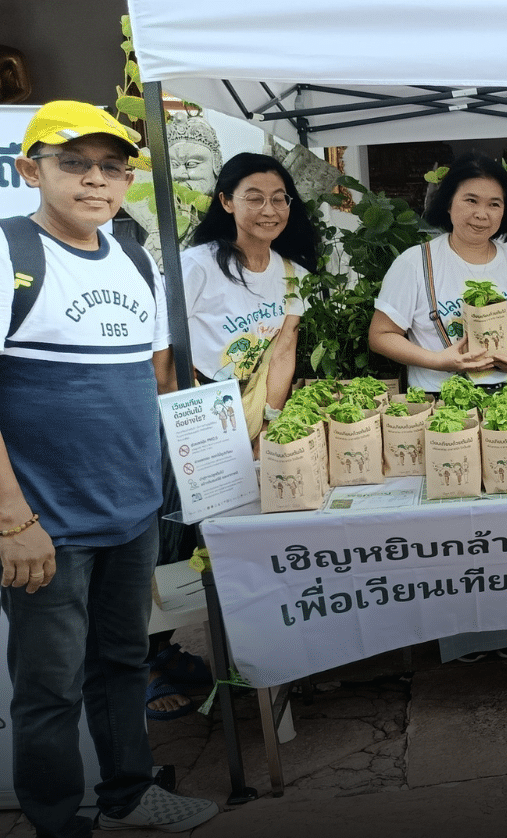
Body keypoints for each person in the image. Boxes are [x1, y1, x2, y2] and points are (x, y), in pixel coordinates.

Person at [1, 101, 218, 835]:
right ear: (31, 169)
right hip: (45, 530)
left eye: (112, 166)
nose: (97, 180)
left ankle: (129, 794)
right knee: (48, 689)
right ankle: (56, 821)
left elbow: (155, 382)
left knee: (123, 662)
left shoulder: (133, 258)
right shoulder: (8, 254)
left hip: (128, 517)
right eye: (74, 163)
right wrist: (14, 522)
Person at [370, 153, 507, 392]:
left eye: (494, 204)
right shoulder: (415, 263)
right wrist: (438, 361)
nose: (481, 214)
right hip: (438, 403)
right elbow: (381, 335)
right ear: (448, 203)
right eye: (471, 200)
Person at [184, 152, 318, 439]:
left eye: (279, 199)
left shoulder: (294, 276)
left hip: (253, 405)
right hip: (200, 410)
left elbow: (282, 354)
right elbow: (165, 348)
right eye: (255, 199)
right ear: (227, 202)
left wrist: (268, 424)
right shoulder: (197, 267)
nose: (269, 210)